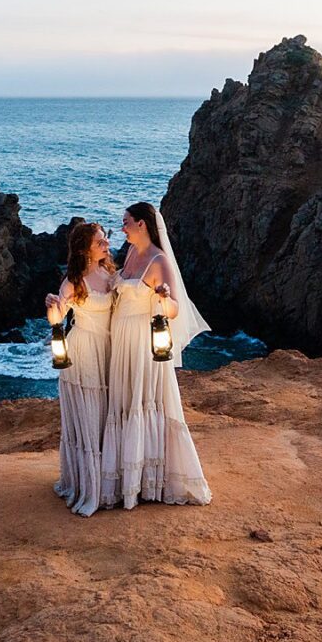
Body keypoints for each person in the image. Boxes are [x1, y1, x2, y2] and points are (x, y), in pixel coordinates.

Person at [101, 201, 212, 508]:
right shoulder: (132, 254)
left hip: (140, 340)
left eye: (126, 222)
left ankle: (149, 480)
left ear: (142, 225)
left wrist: (163, 298)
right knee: (124, 402)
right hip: (121, 338)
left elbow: (175, 308)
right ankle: (126, 477)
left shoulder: (159, 261)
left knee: (143, 401)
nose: (121, 227)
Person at [43, 221, 117, 516]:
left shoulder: (109, 272)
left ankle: (110, 481)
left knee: (107, 414)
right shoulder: (74, 280)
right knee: (89, 417)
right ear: (86, 248)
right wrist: (52, 305)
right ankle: (89, 486)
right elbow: (57, 317)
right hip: (84, 350)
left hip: (110, 349)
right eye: (100, 241)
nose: (106, 244)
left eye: (105, 240)